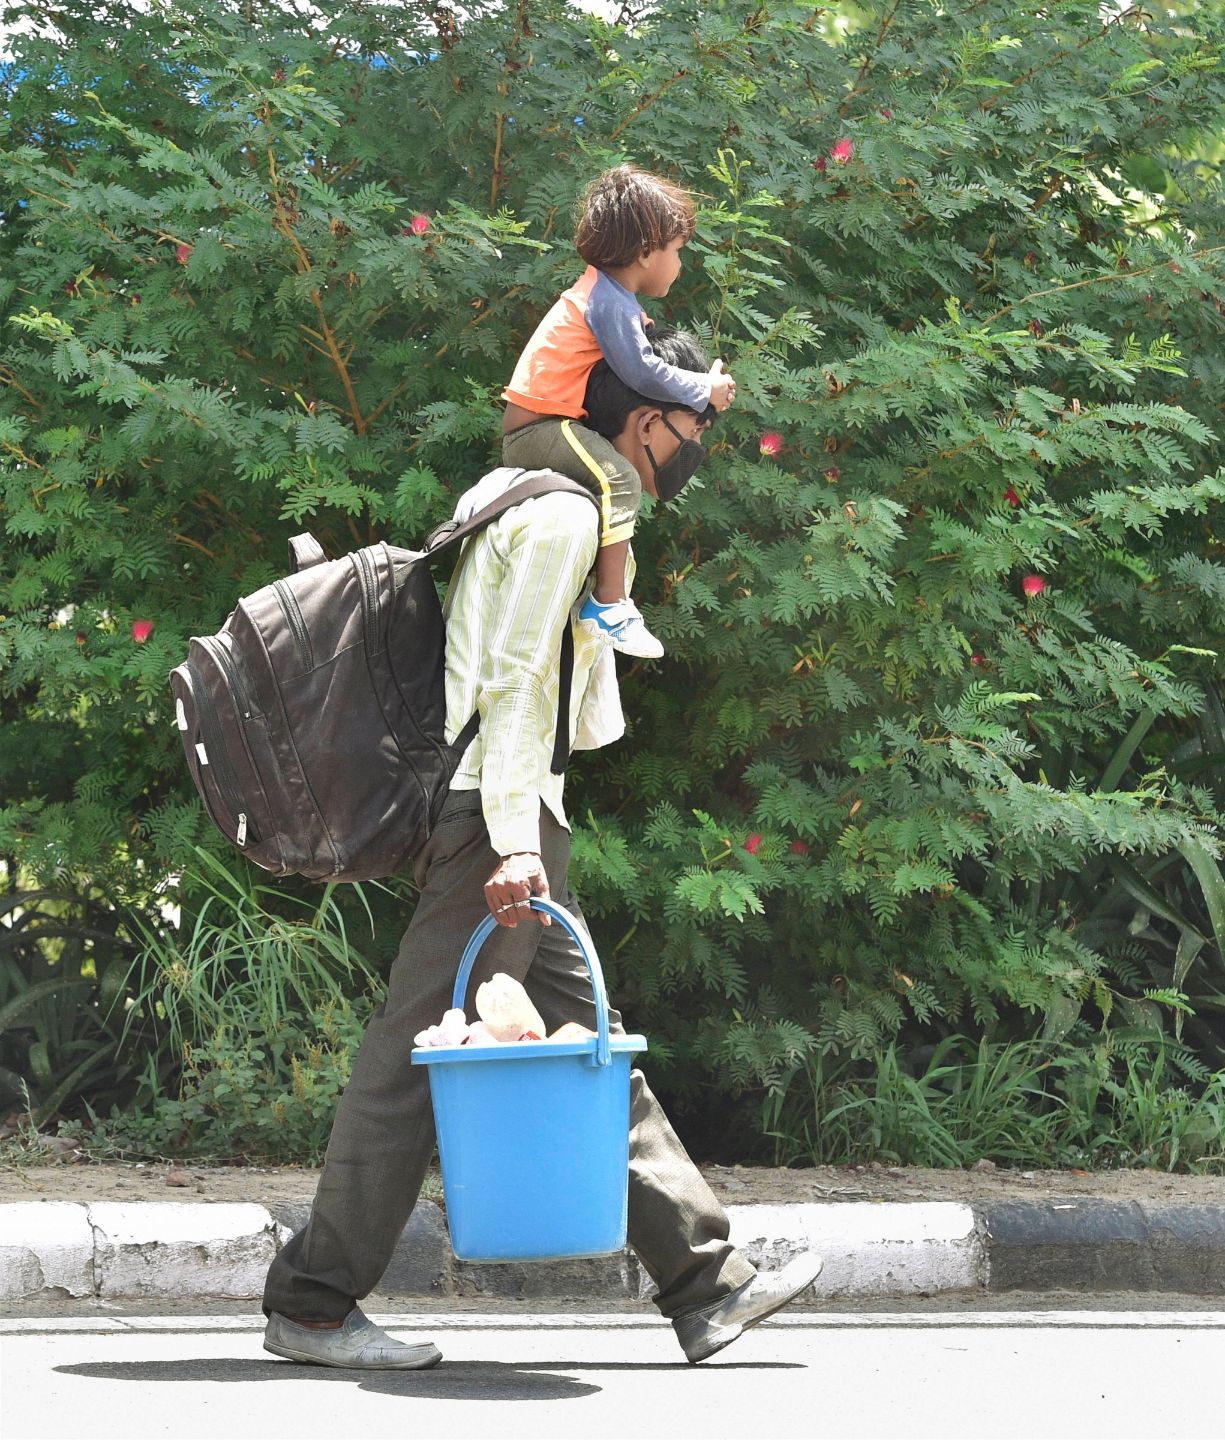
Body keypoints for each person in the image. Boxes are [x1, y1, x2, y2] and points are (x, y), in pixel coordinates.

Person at [261, 327, 821, 1370]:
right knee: (414, 1055)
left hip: (514, 810)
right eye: (696, 423)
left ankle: (705, 1283)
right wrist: (514, 843)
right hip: (496, 818)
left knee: (587, 1049)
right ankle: (313, 1301)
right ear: (645, 418)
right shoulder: (565, 513)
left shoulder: (526, 487)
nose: (700, 445)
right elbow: (515, 677)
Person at [501, 164, 736, 661]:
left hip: (553, 424)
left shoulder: (612, 299)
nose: (680, 264)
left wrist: (702, 381)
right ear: (646, 250)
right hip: (538, 429)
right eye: (678, 251)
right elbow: (644, 374)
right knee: (622, 480)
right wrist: (704, 388)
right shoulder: (607, 302)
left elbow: (653, 356)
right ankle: (609, 603)